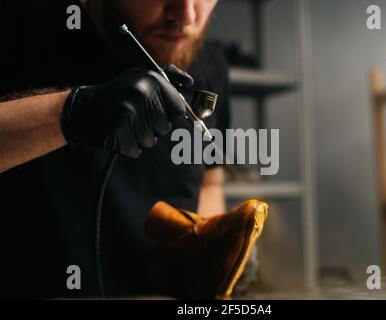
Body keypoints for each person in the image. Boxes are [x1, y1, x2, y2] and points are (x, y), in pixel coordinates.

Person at [0, 0, 268, 299]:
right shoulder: (21, 26)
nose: (186, 16)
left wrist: (213, 249)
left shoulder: (211, 64)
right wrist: (72, 112)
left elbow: (209, 181)